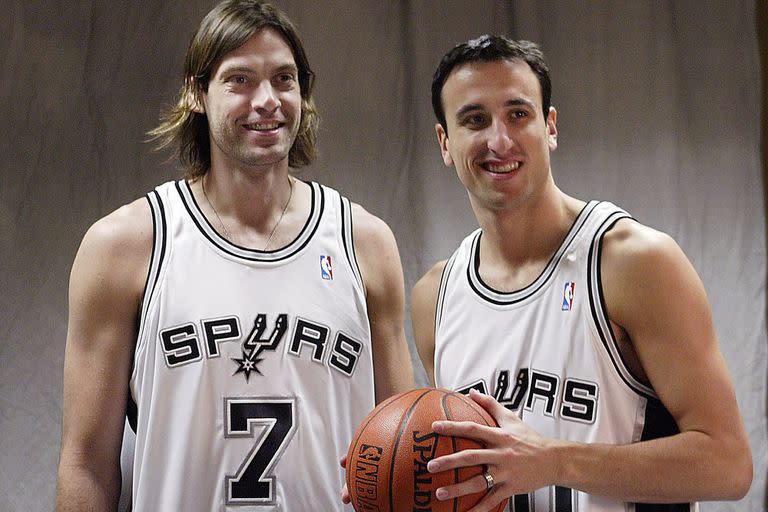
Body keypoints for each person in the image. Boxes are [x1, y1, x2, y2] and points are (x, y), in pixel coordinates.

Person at [54, 1, 414, 510]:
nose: (266, 100)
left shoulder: (365, 244)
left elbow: (401, 452)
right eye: (240, 80)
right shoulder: (125, 246)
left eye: (284, 79)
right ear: (196, 94)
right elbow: (86, 463)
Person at [411, 35, 752, 512]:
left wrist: (553, 461)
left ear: (550, 127)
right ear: (445, 143)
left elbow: (728, 464)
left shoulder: (633, 261)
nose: (499, 139)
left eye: (518, 113)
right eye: (474, 120)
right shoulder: (435, 297)